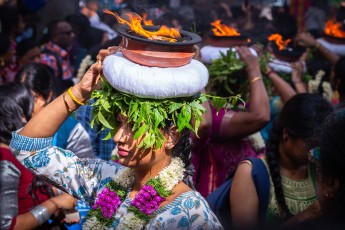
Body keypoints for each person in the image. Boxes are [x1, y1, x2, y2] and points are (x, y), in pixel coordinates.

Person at [10, 48, 223, 229]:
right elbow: (27, 146)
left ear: (170, 135)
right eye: (120, 124)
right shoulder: (104, 179)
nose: (119, 137)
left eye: (133, 127)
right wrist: (79, 93)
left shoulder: (190, 215)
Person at [230, 93, 333, 228]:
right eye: (310, 145)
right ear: (286, 134)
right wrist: (303, 217)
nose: (315, 151)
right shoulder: (250, 173)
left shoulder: (318, 168)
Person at [193, 46, 270, 197]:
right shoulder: (212, 114)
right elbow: (261, 116)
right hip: (219, 195)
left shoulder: (241, 106)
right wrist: (254, 70)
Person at [0, 83, 78, 230]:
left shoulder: (19, 153)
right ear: (20, 115)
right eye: (33, 103)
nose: (40, 105)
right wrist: (54, 204)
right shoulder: (6, 159)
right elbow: (7, 225)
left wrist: (55, 210)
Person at [15, 63, 94, 159]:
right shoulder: (11, 122)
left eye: (32, 98)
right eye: (20, 99)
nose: (24, 105)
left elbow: (85, 169)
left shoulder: (71, 130)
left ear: (48, 95)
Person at [40, 19, 76, 95]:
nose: (72, 35)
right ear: (56, 36)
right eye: (68, 33)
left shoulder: (63, 52)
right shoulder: (49, 59)